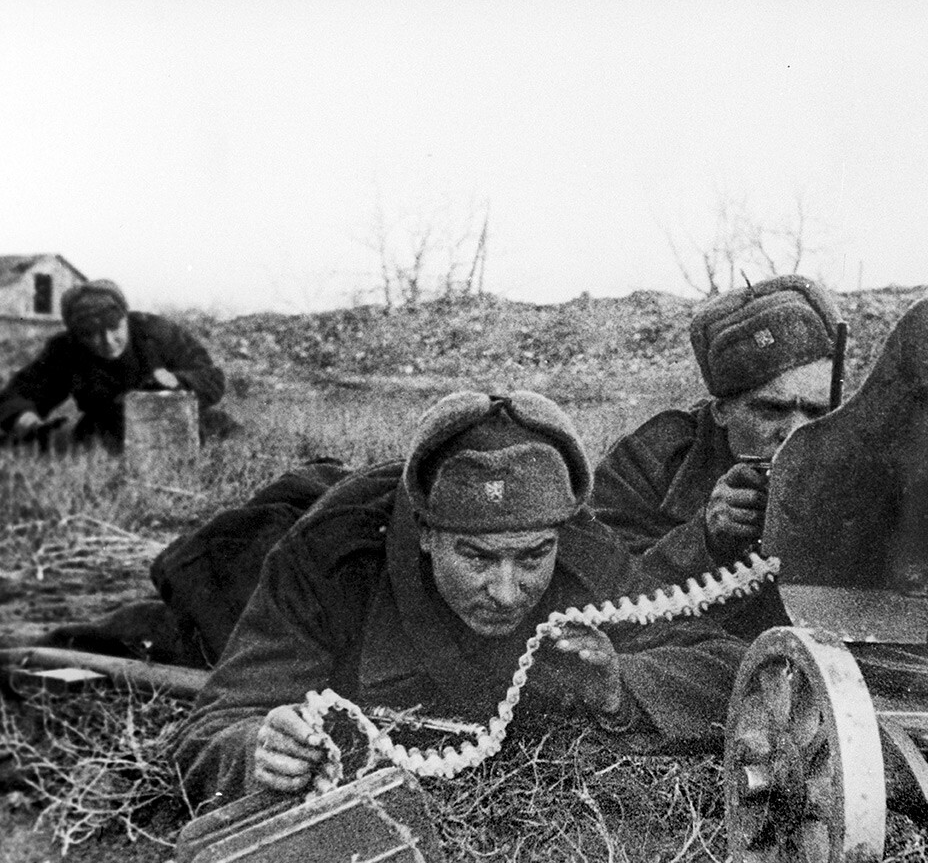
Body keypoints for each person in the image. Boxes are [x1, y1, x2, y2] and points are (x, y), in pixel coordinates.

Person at [171, 391, 746, 807]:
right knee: (200, 610)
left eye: (530, 557)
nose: (505, 591)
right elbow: (212, 727)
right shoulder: (333, 557)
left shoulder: (581, 550)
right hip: (287, 533)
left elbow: (724, 666)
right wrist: (254, 753)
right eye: (475, 557)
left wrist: (620, 681)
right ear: (425, 531)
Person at [592, 274, 842, 636]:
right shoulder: (650, 462)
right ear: (721, 411)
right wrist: (705, 538)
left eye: (817, 412)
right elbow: (607, 599)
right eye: (771, 410)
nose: (793, 433)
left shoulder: (863, 453)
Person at [0, 279, 239, 452]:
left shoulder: (157, 332)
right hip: (107, 430)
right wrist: (27, 421)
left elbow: (212, 378)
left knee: (226, 435)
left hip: (183, 423)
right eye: (91, 334)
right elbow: (17, 396)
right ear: (77, 335)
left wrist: (178, 381)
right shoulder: (66, 350)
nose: (107, 342)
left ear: (125, 318)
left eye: (114, 328)